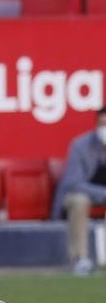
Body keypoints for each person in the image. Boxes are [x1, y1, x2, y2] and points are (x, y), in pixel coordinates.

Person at [51, 105, 106, 276]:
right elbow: (73, 182)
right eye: (102, 123)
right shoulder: (80, 146)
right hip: (79, 195)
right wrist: (103, 193)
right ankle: (80, 259)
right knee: (80, 200)